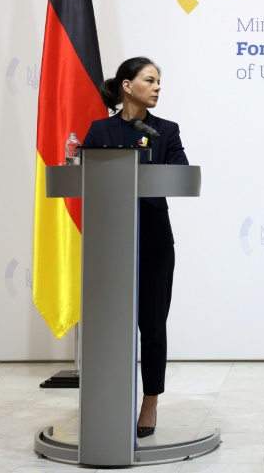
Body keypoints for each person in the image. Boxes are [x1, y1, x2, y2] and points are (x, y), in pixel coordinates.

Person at [83, 57, 188, 439]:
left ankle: (150, 402)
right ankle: (109, 398)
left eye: (159, 81)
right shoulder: (100, 130)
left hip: (155, 242)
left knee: (153, 326)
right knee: (110, 325)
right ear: (127, 86)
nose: (158, 87)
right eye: (150, 80)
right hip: (110, 242)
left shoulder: (165, 131)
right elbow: (85, 177)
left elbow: (180, 175)